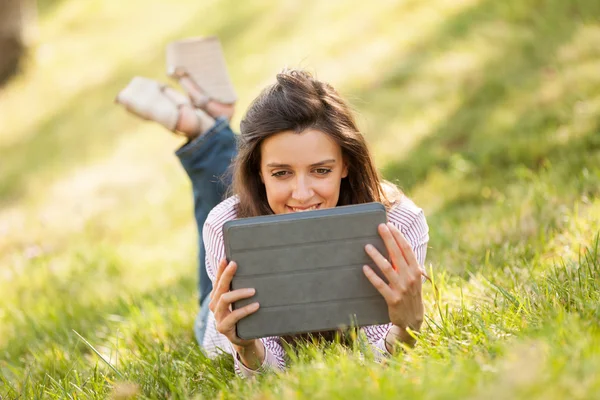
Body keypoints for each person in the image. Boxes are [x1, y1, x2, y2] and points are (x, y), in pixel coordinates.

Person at [203, 69, 429, 378]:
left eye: (321, 170)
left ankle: (208, 126)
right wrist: (246, 347)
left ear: (345, 164)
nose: (302, 194)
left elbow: (382, 358)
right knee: (213, 205)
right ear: (259, 172)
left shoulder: (400, 220)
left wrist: (406, 328)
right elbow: (266, 378)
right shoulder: (224, 224)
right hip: (212, 315)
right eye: (281, 172)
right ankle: (204, 131)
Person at [116, 72, 238, 346]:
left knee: (258, 193)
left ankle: (211, 135)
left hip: (229, 304)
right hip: (230, 309)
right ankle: (212, 136)